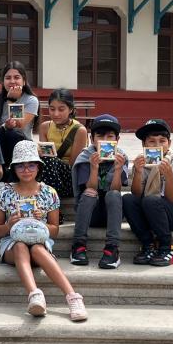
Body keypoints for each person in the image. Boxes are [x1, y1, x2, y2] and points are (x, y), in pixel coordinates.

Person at [0, 140, 88, 321]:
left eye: (31, 165)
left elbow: (55, 231)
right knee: (21, 245)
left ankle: (73, 296)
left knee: (36, 247)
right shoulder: (4, 192)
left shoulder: (49, 192)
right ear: (14, 168)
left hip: (40, 242)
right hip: (12, 244)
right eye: (20, 166)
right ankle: (35, 295)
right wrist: (9, 225)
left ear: (38, 166)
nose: (26, 170)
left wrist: (42, 222)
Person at [123, 119, 173, 267]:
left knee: (151, 200)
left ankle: (166, 248)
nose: (157, 146)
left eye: (162, 141)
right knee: (128, 199)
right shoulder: (141, 162)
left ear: (169, 143)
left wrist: (168, 176)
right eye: (152, 141)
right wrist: (138, 172)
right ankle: (147, 245)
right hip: (151, 212)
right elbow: (136, 194)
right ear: (144, 144)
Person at [70, 114, 127, 268]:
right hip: (91, 214)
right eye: (100, 135)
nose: (105, 140)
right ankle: (78, 245)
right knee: (90, 193)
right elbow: (89, 187)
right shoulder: (85, 157)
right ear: (91, 138)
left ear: (117, 140)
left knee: (114, 194)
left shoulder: (121, 157)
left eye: (110, 136)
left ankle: (112, 249)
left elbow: (116, 188)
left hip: (111, 213)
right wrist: (94, 168)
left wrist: (118, 170)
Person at [0, 61, 40, 181]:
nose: (12, 81)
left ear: (24, 81)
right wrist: (4, 126)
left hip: (22, 145)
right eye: (8, 78)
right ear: (3, 81)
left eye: (16, 77)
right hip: (0, 144)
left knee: (13, 133)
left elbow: (18, 125)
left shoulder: (31, 100)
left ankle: (12, 178)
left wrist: (12, 100)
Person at [37, 89, 88, 198]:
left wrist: (52, 160)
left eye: (61, 109)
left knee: (48, 160)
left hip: (69, 179)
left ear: (70, 109)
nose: (56, 114)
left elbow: (73, 164)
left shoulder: (80, 130)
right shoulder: (45, 127)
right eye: (52, 109)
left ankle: (50, 201)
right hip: (48, 173)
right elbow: (44, 155)